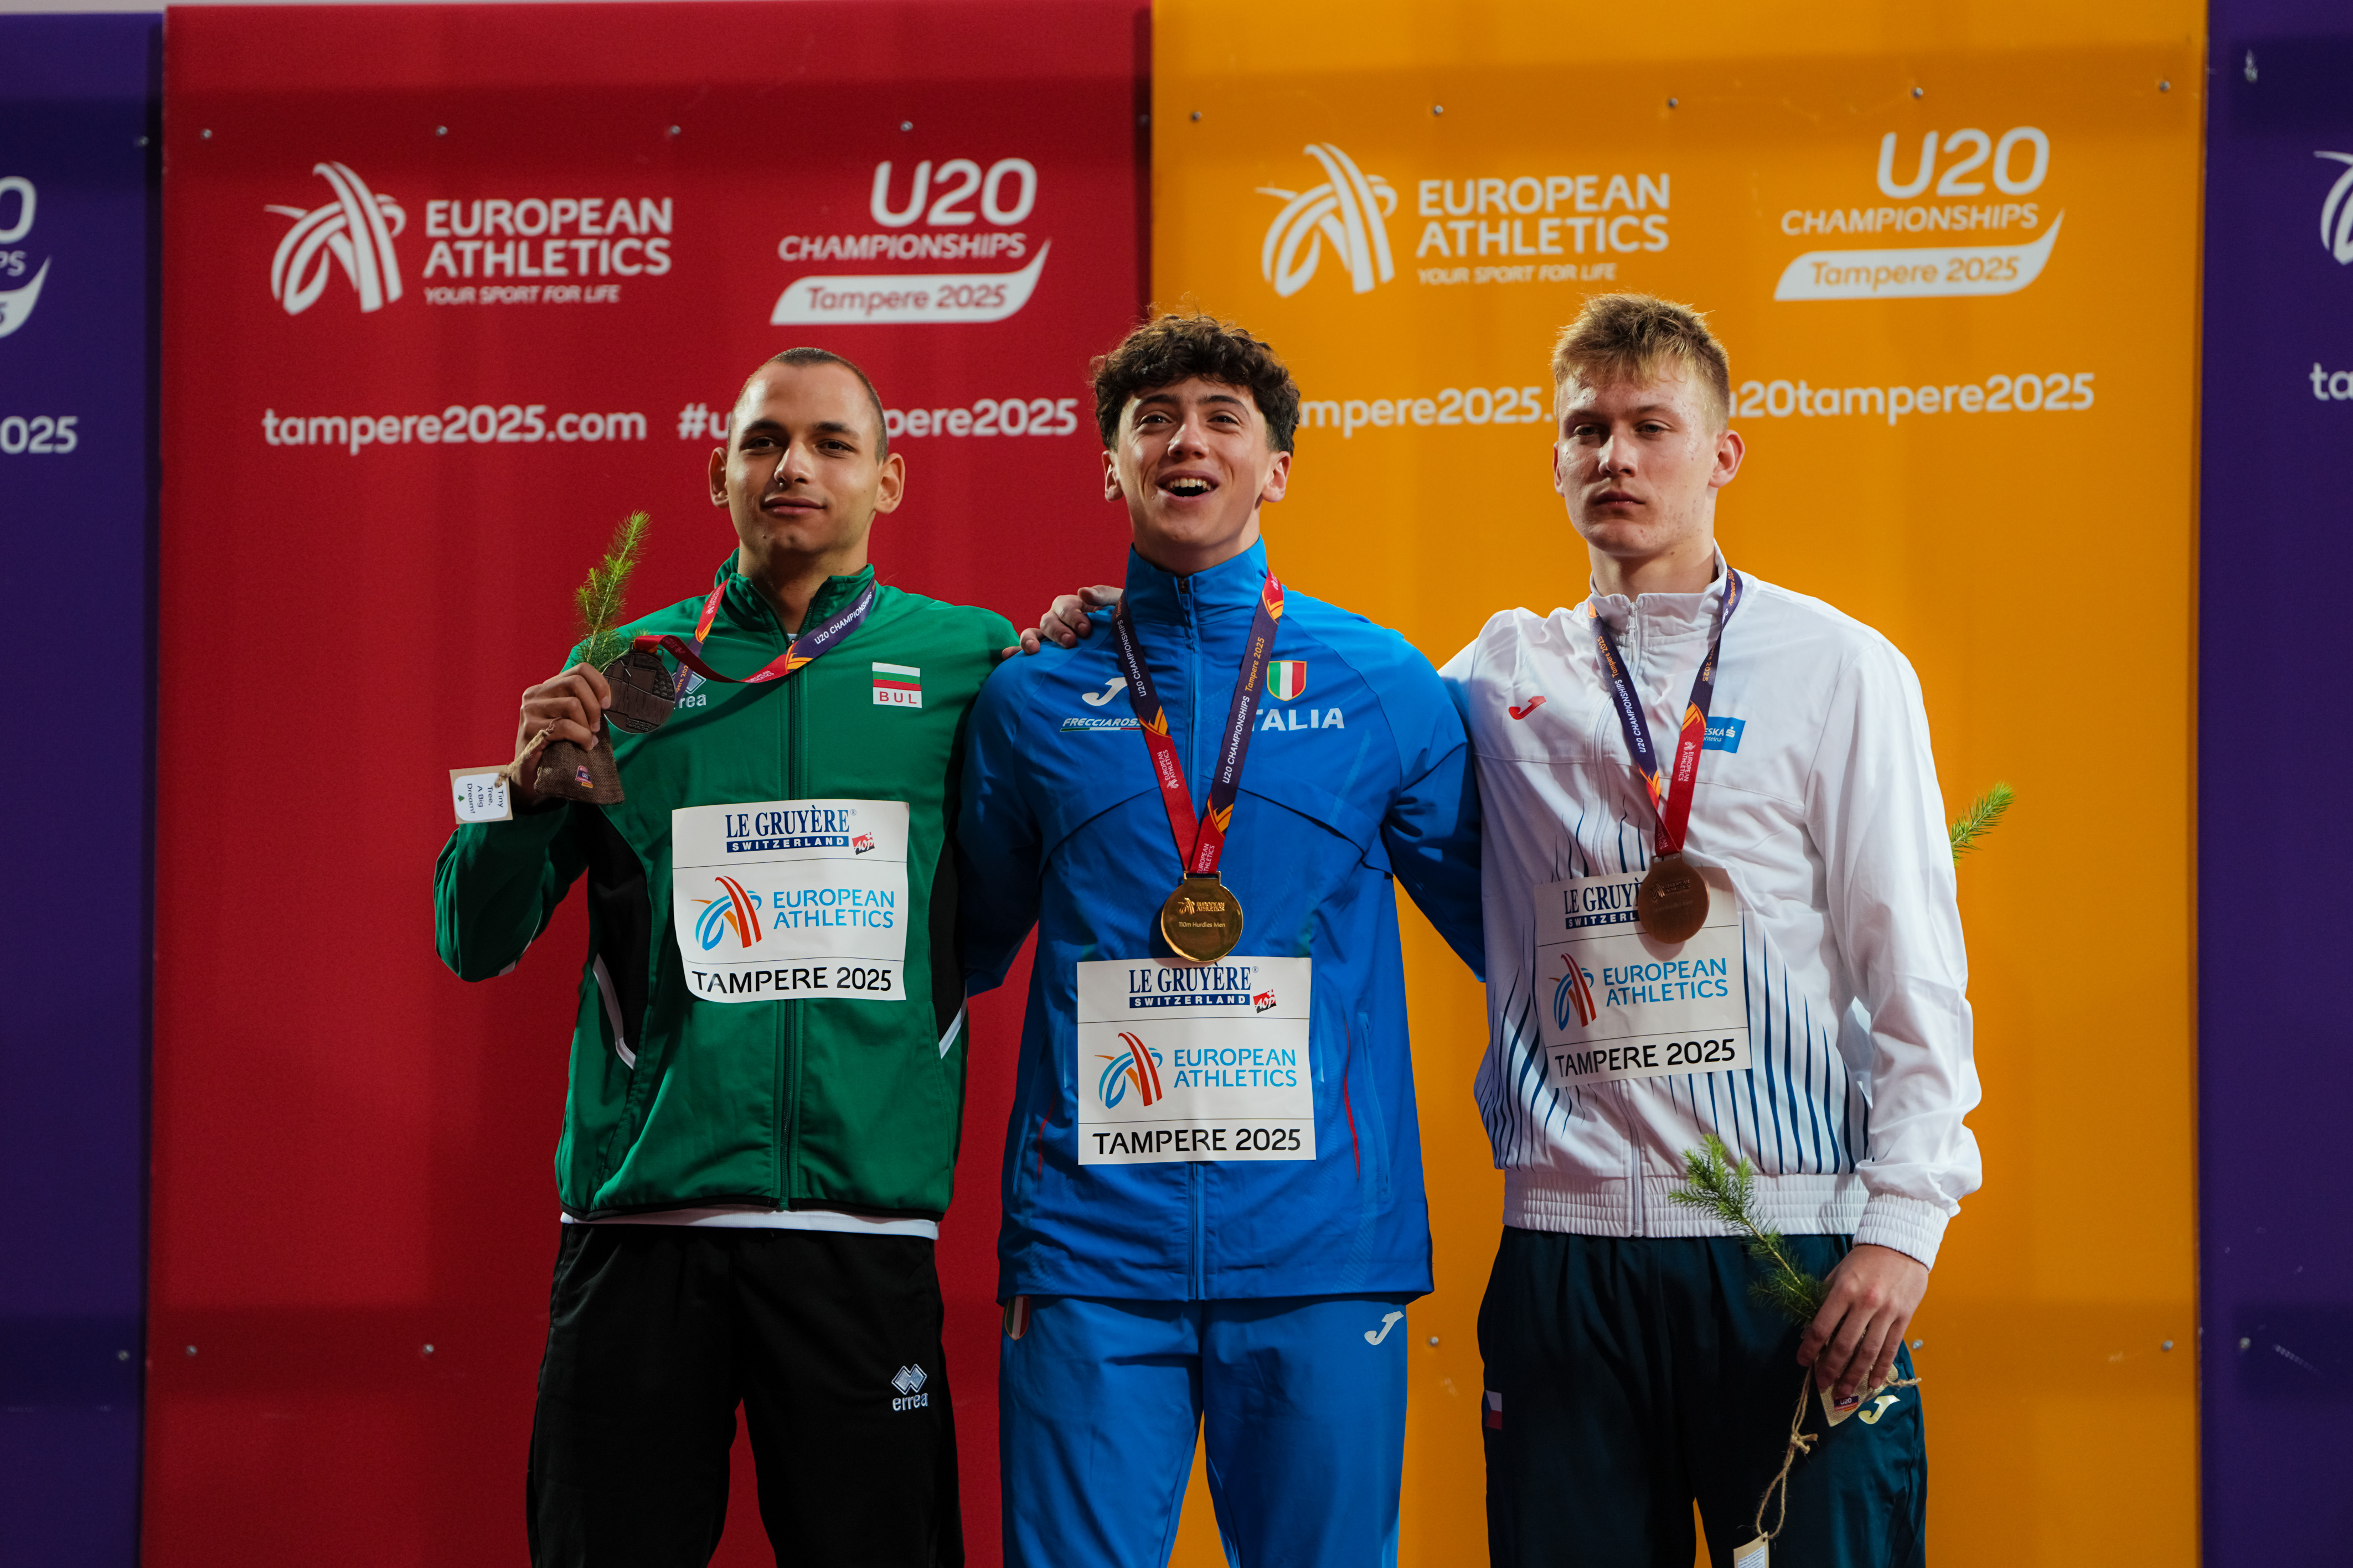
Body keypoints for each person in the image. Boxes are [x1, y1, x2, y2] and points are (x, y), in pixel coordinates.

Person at [434, 347, 1012, 1568]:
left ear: (888, 480)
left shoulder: (972, 664)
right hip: (644, 1230)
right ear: (719, 474)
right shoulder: (625, 673)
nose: (793, 465)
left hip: (861, 1234)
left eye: (831, 443)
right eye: (763, 441)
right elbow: (472, 940)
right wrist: (517, 798)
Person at [1443, 294, 1979, 1567]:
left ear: (1722, 453)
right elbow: (1309, 729)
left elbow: (1910, 962)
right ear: (1554, 456)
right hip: (1567, 1249)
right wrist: (1099, 632)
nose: (1614, 457)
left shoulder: (1837, 666)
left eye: (1651, 427)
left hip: (1789, 1243)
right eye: (1585, 430)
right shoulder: (1496, 674)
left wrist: (1902, 1223)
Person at [956, 313, 1484, 1568]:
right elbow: (960, 944)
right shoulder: (1030, 694)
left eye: (1220, 419)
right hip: (1090, 1253)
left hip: (1321, 1251)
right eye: (1152, 422)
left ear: (1276, 469)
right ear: (1111, 466)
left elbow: (1507, 925)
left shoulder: (1380, 681)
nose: (1185, 442)